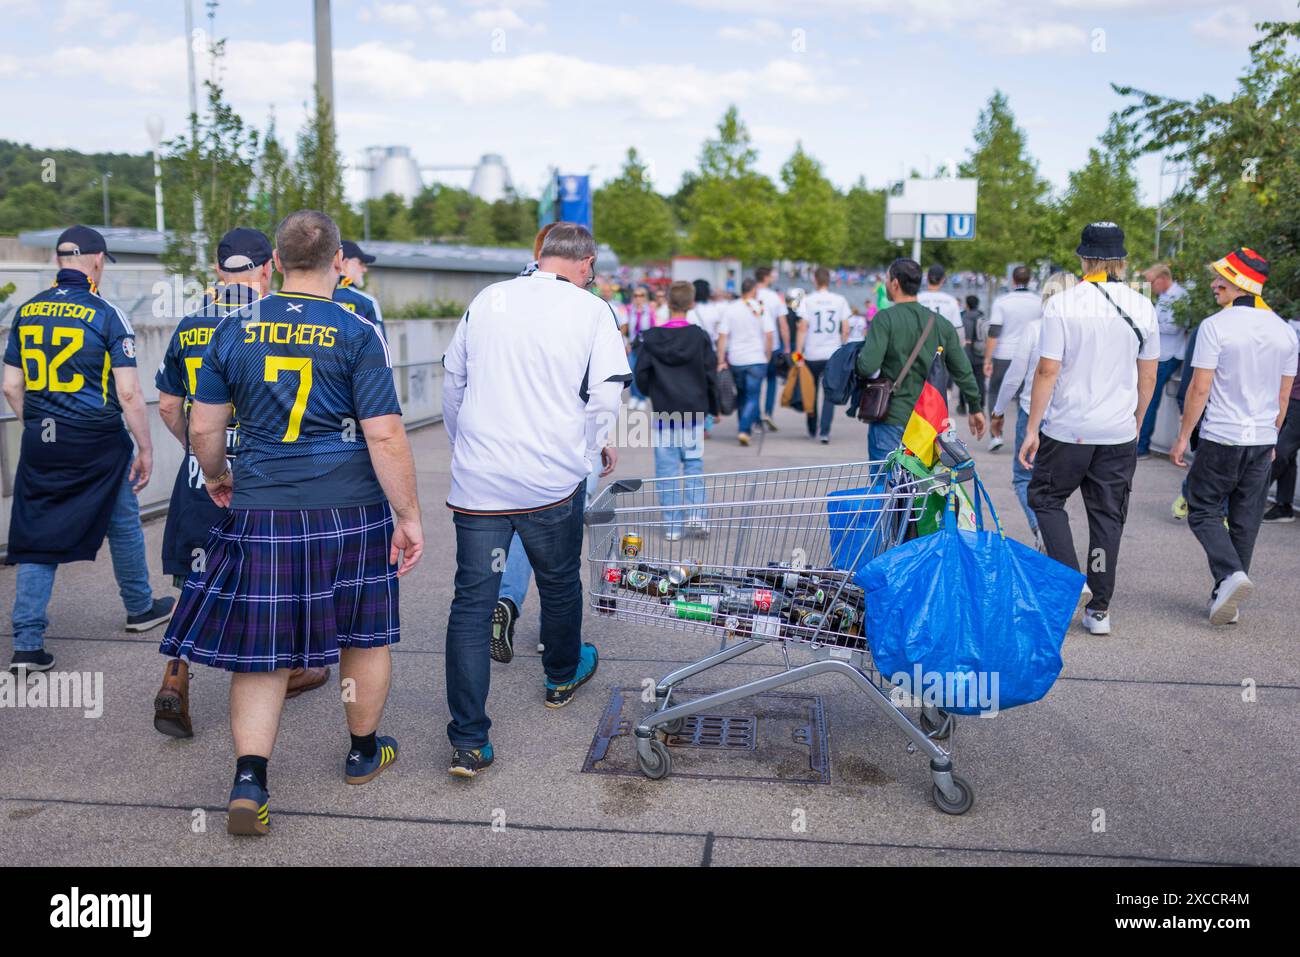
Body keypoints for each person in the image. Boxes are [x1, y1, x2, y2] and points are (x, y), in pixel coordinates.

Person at [158, 209, 422, 835]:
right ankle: (363, 752)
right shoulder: (358, 330)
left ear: (274, 263)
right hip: (350, 506)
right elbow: (384, 437)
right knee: (364, 633)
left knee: (263, 650)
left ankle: (250, 778)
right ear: (338, 262)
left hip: (265, 503)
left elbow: (201, 426)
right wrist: (408, 516)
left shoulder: (233, 329)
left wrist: (219, 475)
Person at [441, 222, 628, 778]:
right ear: (587, 263)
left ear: (538, 256)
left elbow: (454, 381)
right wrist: (586, 449)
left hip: (480, 482)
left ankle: (470, 741)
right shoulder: (593, 311)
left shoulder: (488, 299)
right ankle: (561, 675)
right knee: (560, 581)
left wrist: (467, 446)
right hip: (550, 478)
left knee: (470, 606)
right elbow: (606, 396)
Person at [152, 228, 329, 738]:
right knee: (270, 578)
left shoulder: (189, 325)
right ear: (268, 267)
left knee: (193, 577)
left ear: (216, 271)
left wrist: (196, 447)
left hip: (200, 473)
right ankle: (285, 669)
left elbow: (167, 404)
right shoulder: (273, 323)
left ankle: (174, 677)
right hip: (260, 473)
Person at [3, 225, 175, 673]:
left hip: (44, 438)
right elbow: (130, 394)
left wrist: (38, 425)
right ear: (97, 260)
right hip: (98, 440)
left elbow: (10, 385)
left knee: (38, 535)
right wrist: (146, 448)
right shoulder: (106, 314)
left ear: (59, 261)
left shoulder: (27, 310)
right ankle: (139, 608)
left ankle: (26, 644)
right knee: (122, 520)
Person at [1019, 222, 1159, 636]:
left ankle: (1068, 576)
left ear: (1083, 257)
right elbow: (1147, 376)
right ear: (1121, 260)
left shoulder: (1062, 305)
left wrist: (1032, 428)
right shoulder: (1143, 307)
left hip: (1068, 428)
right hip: (1117, 431)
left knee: (1045, 499)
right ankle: (1099, 609)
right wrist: (1136, 421)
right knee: (1106, 518)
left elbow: (1047, 370)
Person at [491, 223, 601, 664]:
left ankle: (507, 600)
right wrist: (596, 443)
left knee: (518, 530)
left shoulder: (497, 299)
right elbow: (598, 383)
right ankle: (558, 653)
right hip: (559, 442)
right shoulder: (581, 304)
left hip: (502, 442)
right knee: (560, 556)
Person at [1170, 248, 1297, 625]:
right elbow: (1284, 395)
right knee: (1245, 519)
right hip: (1261, 439)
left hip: (1221, 436)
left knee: (1202, 508)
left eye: (1220, 280)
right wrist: (1273, 437)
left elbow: (1198, 389)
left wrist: (1182, 437)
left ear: (1239, 283)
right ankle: (1228, 599)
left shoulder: (1216, 326)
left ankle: (1229, 575)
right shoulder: (1284, 330)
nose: (1213, 284)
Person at [855, 258, 984, 463]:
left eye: (887, 279)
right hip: (928, 422)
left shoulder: (884, 319)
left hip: (892, 416)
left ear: (895, 283)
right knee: (919, 489)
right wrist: (975, 407)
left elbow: (867, 365)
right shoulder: (941, 324)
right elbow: (963, 370)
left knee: (886, 487)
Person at [990, 272, 1074, 550]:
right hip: (1067, 416)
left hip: (1032, 413)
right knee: (1056, 483)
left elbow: (1015, 376)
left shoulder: (1036, 328)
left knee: (1024, 476)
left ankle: (1040, 529)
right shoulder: (1084, 327)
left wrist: (998, 410)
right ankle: (1054, 533)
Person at [635, 281, 719, 540]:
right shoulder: (700, 337)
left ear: (668, 303)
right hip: (693, 412)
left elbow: (641, 375)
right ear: (691, 303)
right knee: (693, 465)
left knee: (666, 470)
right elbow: (710, 374)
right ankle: (696, 516)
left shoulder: (650, 338)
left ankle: (672, 525)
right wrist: (712, 408)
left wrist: (655, 393)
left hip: (664, 413)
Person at [983, 265, 1041, 450]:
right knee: (1026, 396)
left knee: (994, 392)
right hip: (1031, 354)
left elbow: (994, 331)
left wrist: (987, 359)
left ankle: (995, 434)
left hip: (1004, 354)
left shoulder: (1003, 301)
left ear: (1013, 280)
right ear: (1029, 279)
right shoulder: (1038, 301)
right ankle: (1027, 436)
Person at [1136, 264, 1189, 457]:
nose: (1151, 287)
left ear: (1163, 279)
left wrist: (1148, 324)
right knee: (1146, 397)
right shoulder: (1165, 297)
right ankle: (1140, 443)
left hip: (1169, 354)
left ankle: (1142, 446)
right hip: (1161, 353)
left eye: (1152, 282)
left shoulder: (1179, 297)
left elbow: (1175, 327)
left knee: (1149, 399)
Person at [795, 267, 852, 443]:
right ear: (829, 280)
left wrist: (798, 355)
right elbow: (845, 328)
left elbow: (802, 328)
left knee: (810, 392)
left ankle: (812, 427)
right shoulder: (839, 300)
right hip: (832, 353)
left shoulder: (808, 300)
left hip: (812, 353)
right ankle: (824, 431)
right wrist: (842, 346)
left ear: (815, 280)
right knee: (829, 395)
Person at [716, 277, 773, 447]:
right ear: (754, 290)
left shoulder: (730, 309)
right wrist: (768, 355)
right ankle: (744, 428)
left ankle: (745, 428)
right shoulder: (761, 308)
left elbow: (722, 336)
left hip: (737, 359)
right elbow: (769, 335)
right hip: (756, 358)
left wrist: (720, 359)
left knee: (742, 394)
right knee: (753, 396)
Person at [1263, 371, 1300, 522]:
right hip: (1287, 396)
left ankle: (1250, 495)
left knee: (1280, 452)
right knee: (1288, 457)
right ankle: (1284, 506)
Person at [754, 266, 788, 432]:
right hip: (772, 344)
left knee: (755, 383)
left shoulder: (750, 295)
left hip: (754, 345)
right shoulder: (774, 297)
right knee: (772, 380)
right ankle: (768, 412)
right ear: (766, 278)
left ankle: (755, 417)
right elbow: (782, 324)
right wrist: (787, 345)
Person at [333, 240, 385, 338]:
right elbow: (379, 347)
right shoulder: (367, 302)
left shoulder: (313, 298)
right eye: (361, 263)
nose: (365, 269)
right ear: (345, 263)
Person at [624, 285, 657, 411]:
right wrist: (626, 343)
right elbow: (625, 329)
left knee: (642, 372)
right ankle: (634, 396)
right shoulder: (629, 309)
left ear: (645, 297)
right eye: (636, 295)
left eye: (642, 295)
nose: (639, 298)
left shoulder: (650, 311)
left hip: (645, 345)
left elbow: (653, 328)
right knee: (632, 370)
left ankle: (642, 397)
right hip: (632, 344)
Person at [959, 294, 986, 413]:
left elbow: (965, 336)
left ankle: (963, 405)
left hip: (968, 352)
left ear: (968, 304)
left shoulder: (965, 317)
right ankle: (981, 403)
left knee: (965, 378)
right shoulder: (982, 316)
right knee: (980, 379)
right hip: (981, 351)